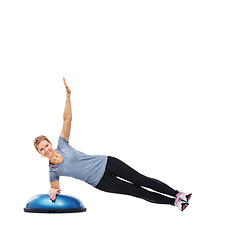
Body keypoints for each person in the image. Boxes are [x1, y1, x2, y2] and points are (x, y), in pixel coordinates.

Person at [34, 78, 192, 211]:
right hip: (101, 182)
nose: (46, 150)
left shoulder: (62, 144)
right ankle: (175, 203)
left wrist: (68, 95)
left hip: (107, 163)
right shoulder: (53, 171)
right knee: (137, 192)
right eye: (42, 149)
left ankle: (178, 194)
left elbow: (67, 119)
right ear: (40, 153)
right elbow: (55, 189)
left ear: (50, 143)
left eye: (46, 145)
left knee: (142, 179)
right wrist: (52, 190)